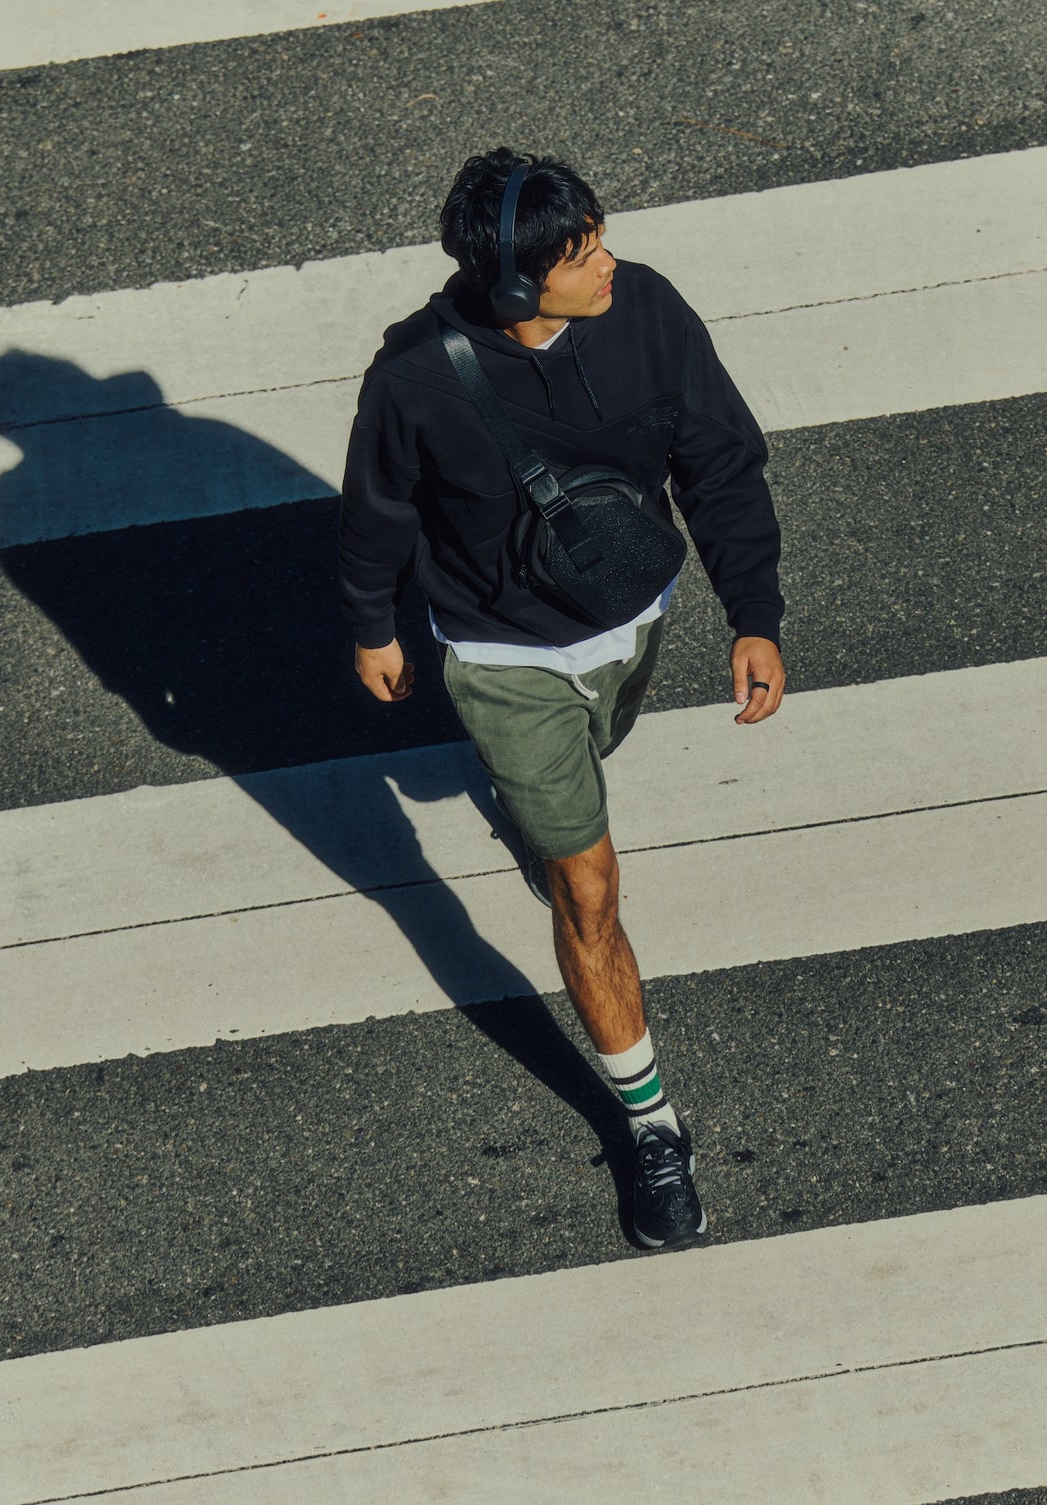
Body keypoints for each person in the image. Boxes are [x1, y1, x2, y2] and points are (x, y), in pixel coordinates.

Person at [339, 147, 787, 1250]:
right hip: (503, 656)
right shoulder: (412, 378)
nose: (610, 261)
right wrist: (370, 625)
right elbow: (376, 511)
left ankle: (549, 808)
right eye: (584, 253)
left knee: (589, 773)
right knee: (587, 887)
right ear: (518, 286)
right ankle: (651, 1124)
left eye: (599, 235)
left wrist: (754, 613)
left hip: (634, 614)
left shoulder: (649, 313)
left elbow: (720, 462)